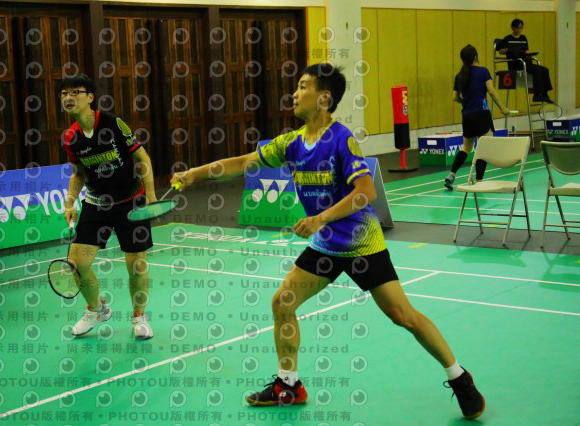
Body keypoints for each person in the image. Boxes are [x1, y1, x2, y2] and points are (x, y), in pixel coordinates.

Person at [171, 63, 485, 420]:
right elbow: (244, 162)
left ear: (323, 98)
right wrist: (194, 174)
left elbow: (365, 192)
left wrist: (320, 218)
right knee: (283, 302)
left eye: (303, 86)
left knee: (403, 315)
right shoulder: (291, 142)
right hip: (326, 245)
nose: (295, 93)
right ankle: (288, 385)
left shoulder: (341, 139)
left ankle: (459, 376)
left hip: (360, 242)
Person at [59, 73, 155, 340]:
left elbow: (141, 156)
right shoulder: (71, 136)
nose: (68, 97)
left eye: (75, 92)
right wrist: (70, 202)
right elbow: (78, 173)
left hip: (130, 201)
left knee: (136, 263)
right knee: (77, 262)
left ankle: (139, 316)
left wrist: (151, 194)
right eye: (64, 94)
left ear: (90, 97)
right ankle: (97, 310)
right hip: (96, 203)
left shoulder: (113, 123)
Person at [445, 44, 510, 190]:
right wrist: (503, 108)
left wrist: (466, 103)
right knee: (484, 149)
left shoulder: (459, 76)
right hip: (482, 115)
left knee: (466, 148)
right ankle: (479, 181)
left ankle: (452, 174)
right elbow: (492, 91)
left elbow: (455, 97)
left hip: (467, 116)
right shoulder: (483, 71)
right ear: (475, 56)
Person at [498, 18, 553, 104]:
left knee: (545, 70)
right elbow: (500, 51)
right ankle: (537, 95)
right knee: (537, 70)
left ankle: (545, 94)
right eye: (518, 28)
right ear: (513, 28)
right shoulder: (508, 38)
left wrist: (530, 55)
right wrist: (508, 49)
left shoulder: (523, 38)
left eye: (521, 28)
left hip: (524, 61)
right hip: (515, 63)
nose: (519, 30)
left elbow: (526, 51)